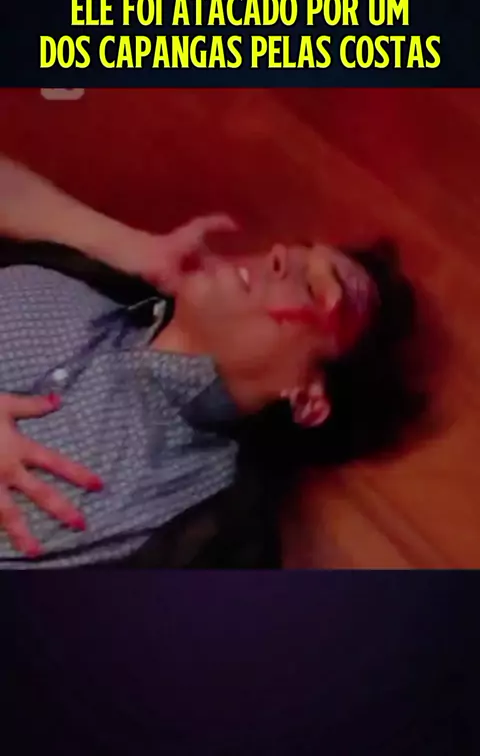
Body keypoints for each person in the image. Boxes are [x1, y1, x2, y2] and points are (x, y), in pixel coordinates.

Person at [0, 156, 423, 568]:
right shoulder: (84, 280)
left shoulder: (192, 523)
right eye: (298, 252)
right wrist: (123, 244)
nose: (279, 254)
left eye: (314, 289)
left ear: (307, 399)